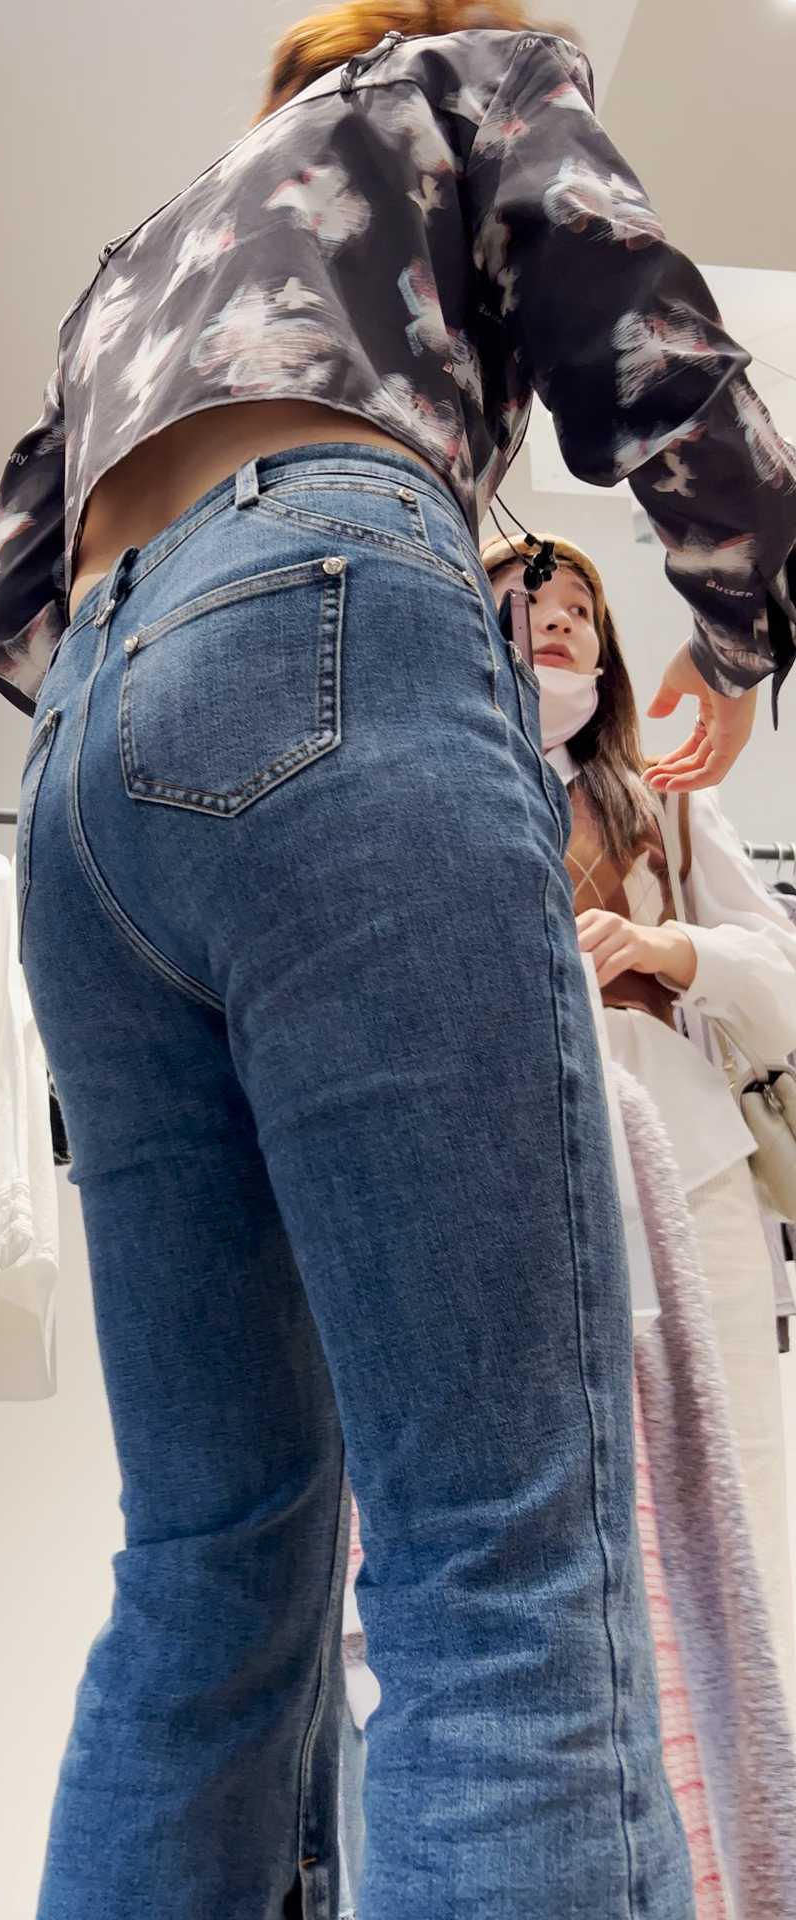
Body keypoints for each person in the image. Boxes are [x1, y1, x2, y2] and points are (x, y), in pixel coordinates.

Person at [0, 4, 796, 1914]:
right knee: (501, 1560)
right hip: (333, 611)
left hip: (80, 777)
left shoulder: (141, 257)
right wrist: (743, 618)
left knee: (202, 1574)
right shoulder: (471, 76)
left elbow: (16, 591)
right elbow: (634, 317)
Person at [482, 530, 796, 1700]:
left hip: (686, 1159)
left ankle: (756, 1794)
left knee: (734, 1487)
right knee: (539, 1502)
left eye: (581, 604)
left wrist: (666, 948)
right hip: (503, 1171)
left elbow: (784, 977)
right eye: (530, 596)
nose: (560, 616)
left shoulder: (663, 803)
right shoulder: (433, 807)